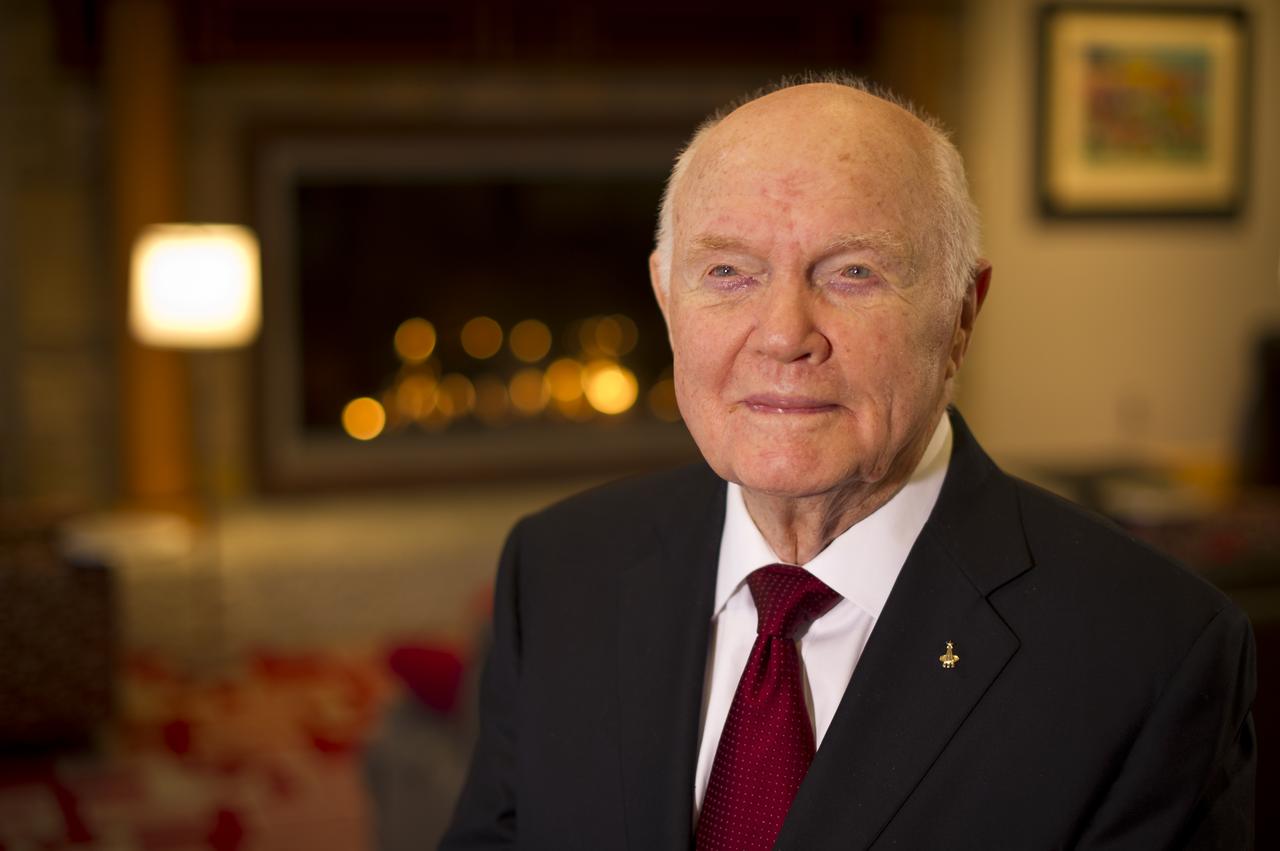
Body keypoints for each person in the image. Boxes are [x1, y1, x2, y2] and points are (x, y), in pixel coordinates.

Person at [440, 76, 1256, 850]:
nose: (783, 335)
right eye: (728, 272)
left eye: (854, 272)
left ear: (961, 315)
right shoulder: (557, 569)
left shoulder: (1152, 653)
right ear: (665, 298)